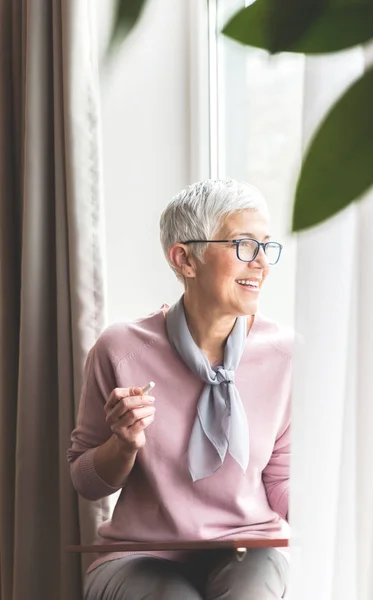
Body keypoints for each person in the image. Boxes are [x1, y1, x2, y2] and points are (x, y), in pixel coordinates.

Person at [67, 179, 292, 600]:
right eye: (244, 245)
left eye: (267, 245)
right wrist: (124, 444)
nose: (262, 262)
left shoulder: (284, 355)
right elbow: (87, 482)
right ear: (185, 259)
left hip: (250, 547)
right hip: (141, 555)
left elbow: (281, 483)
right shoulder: (120, 350)